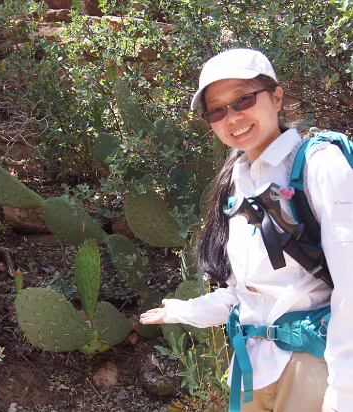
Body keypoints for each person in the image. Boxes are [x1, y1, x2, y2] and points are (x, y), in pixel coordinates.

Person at [140, 48, 353, 412]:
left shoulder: (320, 165)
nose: (232, 117)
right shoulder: (236, 184)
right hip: (253, 371)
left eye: (243, 99)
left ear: (277, 96)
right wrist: (185, 311)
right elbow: (248, 297)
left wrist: (344, 393)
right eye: (217, 110)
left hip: (311, 367)